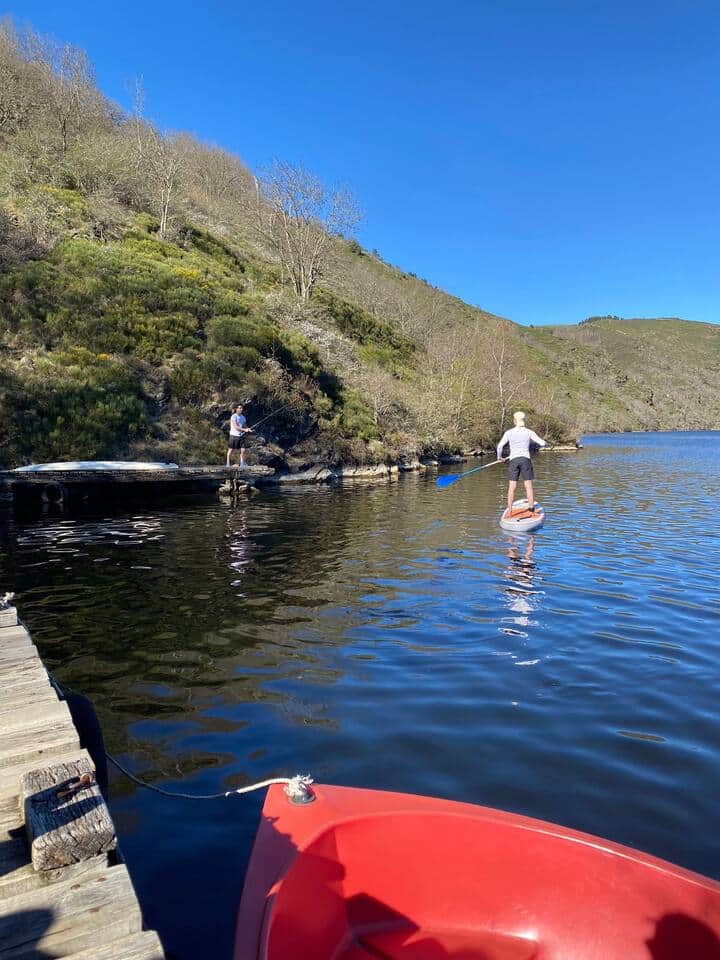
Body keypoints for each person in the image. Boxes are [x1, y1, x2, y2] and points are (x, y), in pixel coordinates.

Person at [496, 411, 547, 517]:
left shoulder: (509, 432)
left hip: (513, 460)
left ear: (515, 421)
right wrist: (544, 444)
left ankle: (509, 511)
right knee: (528, 486)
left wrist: (499, 458)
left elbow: (499, 447)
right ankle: (531, 509)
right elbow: (542, 443)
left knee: (512, 486)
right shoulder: (529, 432)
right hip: (525, 460)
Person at [226, 404, 253, 468]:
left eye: (242, 408)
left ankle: (242, 463)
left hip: (241, 436)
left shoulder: (243, 417)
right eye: (240, 408)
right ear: (236, 409)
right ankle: (227, 463)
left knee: (243, 450)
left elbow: (244, 425)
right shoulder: (233, 416)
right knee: (231, 450)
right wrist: (244, 429)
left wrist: (248, 429)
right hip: (233, 436)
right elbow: (235, 426)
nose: (241, 409)